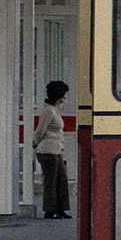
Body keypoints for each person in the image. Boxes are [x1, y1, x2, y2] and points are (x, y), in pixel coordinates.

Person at [32, 80, 71, 219]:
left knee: (61, 180)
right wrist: (35, 143)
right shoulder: (48, 110)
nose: (64, 98)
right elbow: (40, 130)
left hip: (56, 151)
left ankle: (61, 209)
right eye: (63, 95)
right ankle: (50, 210)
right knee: (51, 181)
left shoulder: (54, 109)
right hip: (47, 151)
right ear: (58, 94)